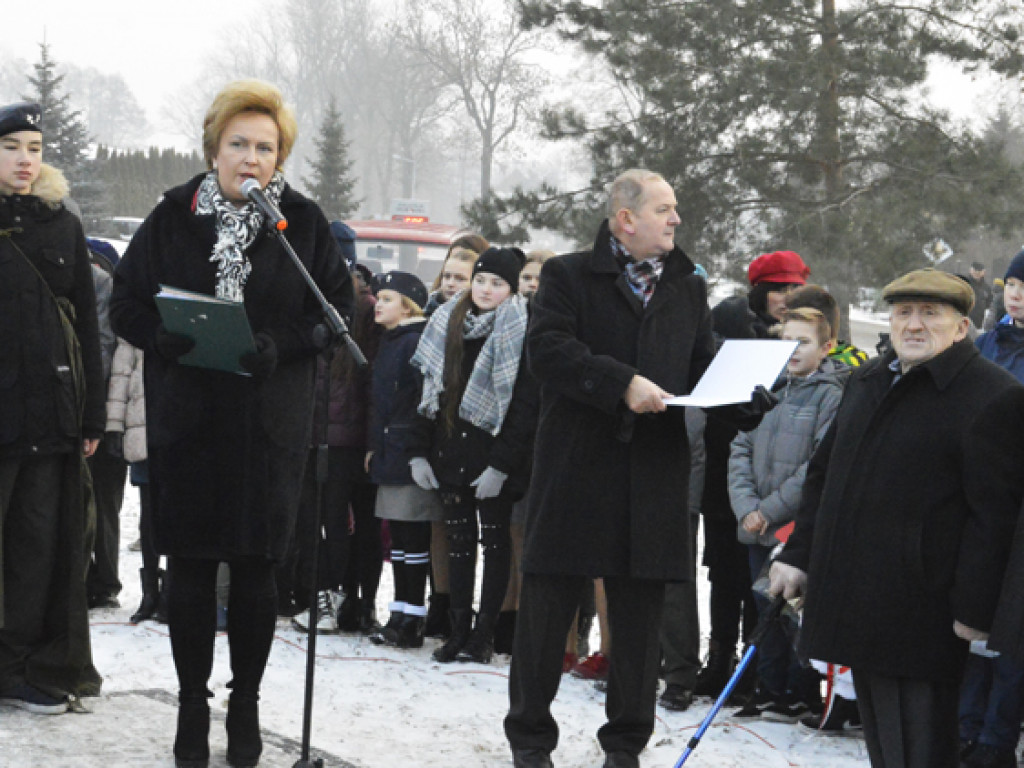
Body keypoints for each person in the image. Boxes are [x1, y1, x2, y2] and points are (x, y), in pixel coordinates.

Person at [109, 80, 352, 768]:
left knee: (255, 574)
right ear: (214, 149)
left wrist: (281, 344)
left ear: (280, 159)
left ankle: (244, 705)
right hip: (189, 420)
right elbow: (123, 303)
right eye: (238, 144)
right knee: (189, 568)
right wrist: (160, 336)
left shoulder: (301, 223)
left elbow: (334, 312)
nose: (251, 158)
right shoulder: (171, 217)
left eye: (265, 148)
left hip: (266, 426)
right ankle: (192, 704)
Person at [505, 168, 738, 768]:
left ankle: (625, 748)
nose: (676, 219)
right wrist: (621, 383)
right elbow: (549, 352)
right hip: (577, 470)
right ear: (625, 218)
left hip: (653, 478)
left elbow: (703, 366)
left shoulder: (687, 285)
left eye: (676, 209)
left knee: (638, 630)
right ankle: (531, 743)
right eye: (664, 208)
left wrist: (746, 395)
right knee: (545, 615)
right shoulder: (567, 275)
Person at [768, 268, 1024, 768]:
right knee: (887, 747)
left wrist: (974, 609)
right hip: (861, 598)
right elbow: (825, 475)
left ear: (961, 326)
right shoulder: (868, 380)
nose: (913, 324)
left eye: (930, 313)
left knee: (922, 751)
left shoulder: (992, 396)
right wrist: (799, 553)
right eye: (904, 312)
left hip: (928, 612)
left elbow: (993, 518)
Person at [0, 101, 105, 715]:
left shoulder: (61, 222)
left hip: (49, 418)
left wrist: (90, 418)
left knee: (38, 546)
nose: (25, 159)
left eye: (34, 148)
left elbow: (86, 325)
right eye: (12, 146)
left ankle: (18, 665)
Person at [409, 246, 538, 665]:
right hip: (450, 448)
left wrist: (501, 464)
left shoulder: (522, 326)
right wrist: (418, 452)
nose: (485, 289)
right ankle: (458, 629)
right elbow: (427, 387)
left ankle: (485, 634)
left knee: (496, 544)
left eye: (497, 283)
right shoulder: (448, 321)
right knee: (459, 543)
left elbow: (524, 403)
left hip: (494, 455)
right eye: (480, 280)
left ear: (512, 287)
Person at [696, 249, 811, 701]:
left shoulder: (804, 338)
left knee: (764, 580)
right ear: (759, 290)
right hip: (728, 471)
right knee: (724, 573)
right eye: (778, 288)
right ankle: (718, 660)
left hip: (780, 483)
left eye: (793, 288)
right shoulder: (729, 331)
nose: (785, 297)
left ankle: (756, 666)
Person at [728, 306, 846, 722]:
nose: (792, 351)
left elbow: (817, 465)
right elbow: (739, 446)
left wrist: (771, 509)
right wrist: (747, 507)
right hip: (756, 524)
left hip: (791, 527)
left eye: (803, 342)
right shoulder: (766, 389)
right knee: (763, 608)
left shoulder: (831, 396)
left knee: (791, 610)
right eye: (785, 341)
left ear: (827, 347)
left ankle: (801, 690)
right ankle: (768, 688)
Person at [956, 249, 1024, 768]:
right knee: (970, 618)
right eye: (1011, 284)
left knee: (1012, 632)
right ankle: (964, 724)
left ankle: (998, 736)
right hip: (977, 500)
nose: (1016, 293)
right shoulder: (985, 342)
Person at [365, 271, 441, 648]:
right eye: (378, 297)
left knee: (413, 540)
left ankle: (413, 616)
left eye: (388, 298)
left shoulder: (413, 342)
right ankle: (399, 612)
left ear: (408, 306)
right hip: (388, 451)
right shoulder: (390, 341)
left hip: (407, 453)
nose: (379, 304)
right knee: (397, 540)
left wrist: (414, 451)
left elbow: (418, 404)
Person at [967, 261, 993, 330]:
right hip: (965, 321)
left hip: (979, 324)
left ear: (983, 272)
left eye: (979, 271)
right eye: (975, 271)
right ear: (970, 270)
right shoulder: (965, 284)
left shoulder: (986, 288)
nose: (977, 273)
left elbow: (989, 304)